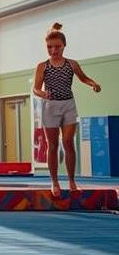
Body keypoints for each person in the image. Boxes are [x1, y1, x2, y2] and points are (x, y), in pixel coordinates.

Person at [32, 22, 102, 196]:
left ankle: (71, 181)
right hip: (50, 106)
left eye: (57, 47)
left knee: (68, 142)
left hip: (68, 104)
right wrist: (42, 93)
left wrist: (93, 84)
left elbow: (83, 78)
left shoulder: (72, 64)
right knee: (53, 145)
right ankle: (55, 182)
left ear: (64, 45)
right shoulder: (43, 66)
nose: (53, 50)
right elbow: (35, 88)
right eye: (50, 47)